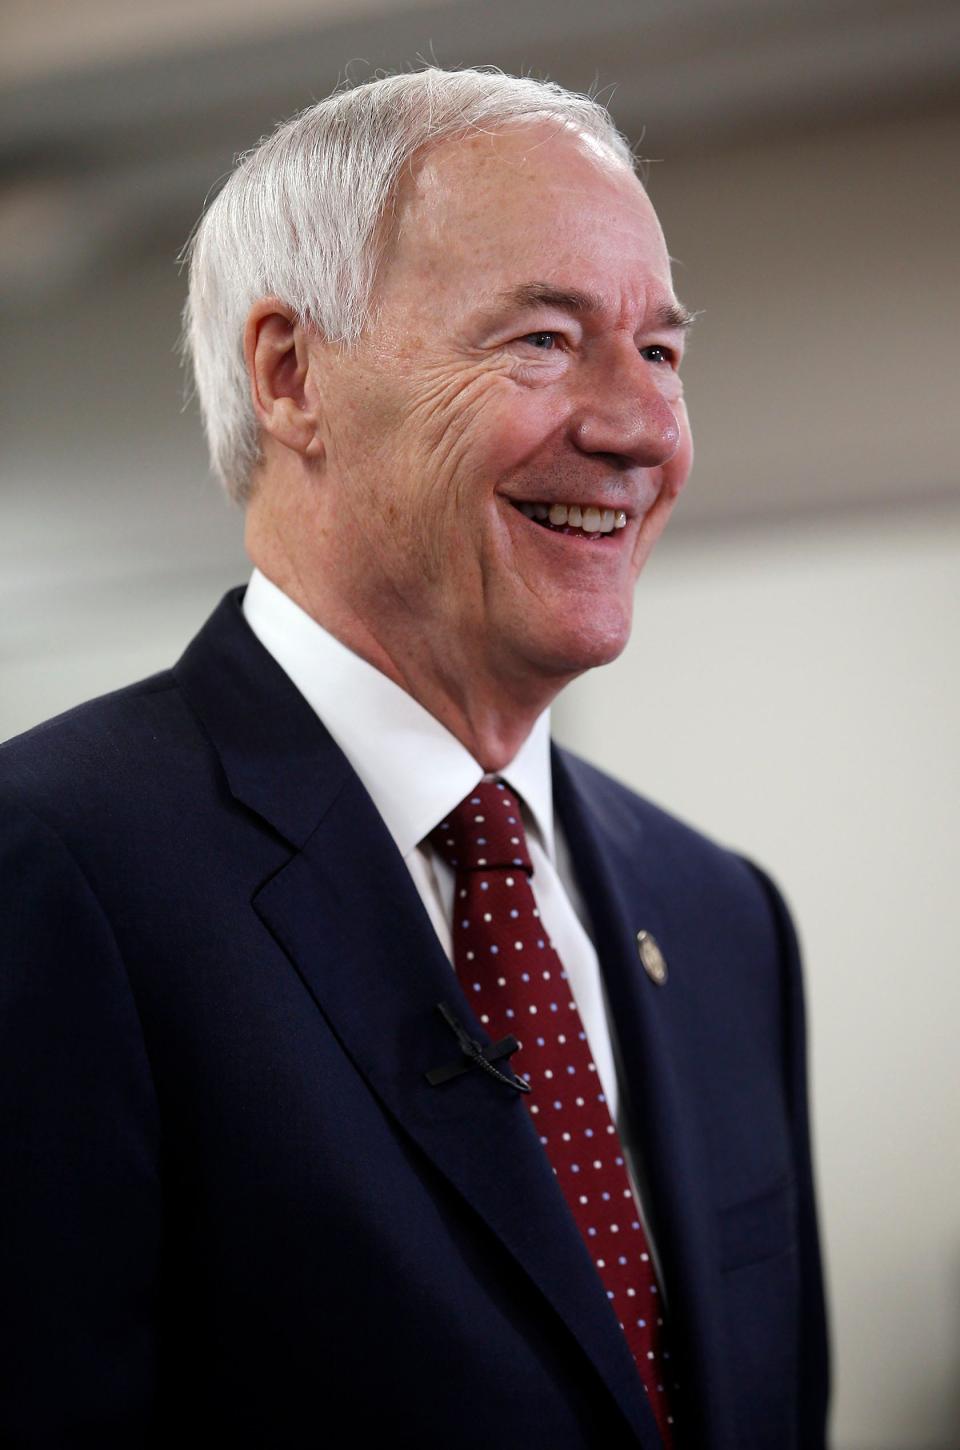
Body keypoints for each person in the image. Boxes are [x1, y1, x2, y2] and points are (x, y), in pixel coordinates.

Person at [0, 68, 829, 1449]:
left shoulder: (722, 915)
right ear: (292, 374)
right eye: (545, 341)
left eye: (663, 352)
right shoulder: (57, 873)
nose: (640, 427)